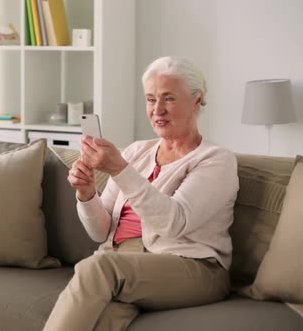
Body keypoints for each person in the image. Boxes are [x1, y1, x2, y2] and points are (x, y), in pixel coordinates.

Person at [43, 56, 239, 331]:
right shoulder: (137, 152)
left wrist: (120, 170)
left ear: (197, 100)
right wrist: (87, 194)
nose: (157, 110)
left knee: (96, 268)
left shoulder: (216, 160)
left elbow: (173, 223)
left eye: (169, 98)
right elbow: (101, 233)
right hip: (129, 263)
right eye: (150, 99)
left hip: (195, 268)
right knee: (104, 319)